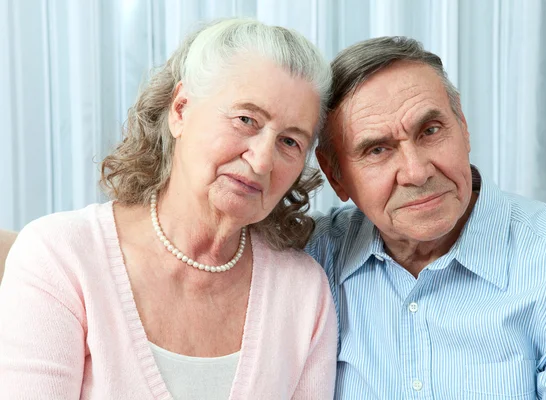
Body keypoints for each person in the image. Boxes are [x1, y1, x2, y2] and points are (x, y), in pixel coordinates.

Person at [0, 18, 337, 399]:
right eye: (246, 120)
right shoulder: (60, 256)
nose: (262, 161)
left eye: (290, 142)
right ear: (180, 110)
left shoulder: (304, 292)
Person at [306, 36, 546, 399]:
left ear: (462, 124)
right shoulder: (314, 259)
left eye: (430, 131)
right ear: (335, 177)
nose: (416, 172)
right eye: (378, 149)